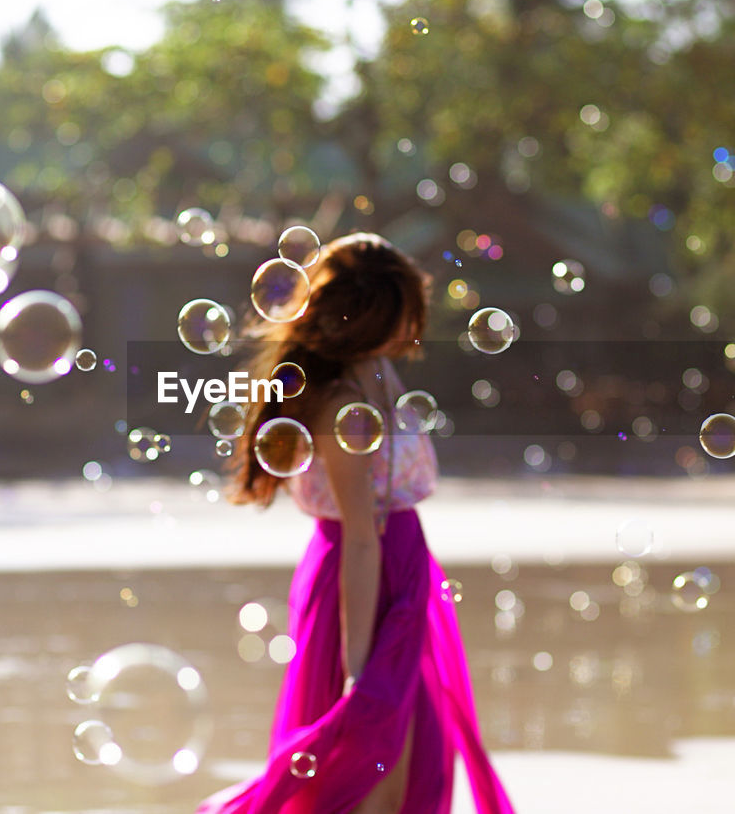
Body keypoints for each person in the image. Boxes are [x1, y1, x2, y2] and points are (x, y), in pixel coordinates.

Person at [196, 233, 516, 813]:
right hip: (363, 579)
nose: (413, 330)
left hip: (403, 571)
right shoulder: (344, 405)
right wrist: (359, 670)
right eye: (404, 314)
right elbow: (362, 538)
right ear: (369, 320)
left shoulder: (374, 367)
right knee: (369, 755)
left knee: (416, 745)